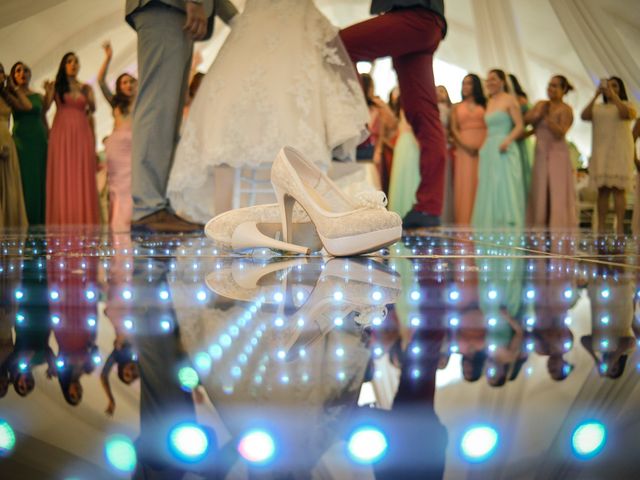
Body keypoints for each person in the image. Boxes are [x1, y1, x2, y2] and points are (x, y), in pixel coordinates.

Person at [167, 0, 369, 224]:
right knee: (235, 125)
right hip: (273, 21)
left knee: (229, 122)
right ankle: (233, 220)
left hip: (277, 22)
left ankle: (285, 217)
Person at [125, 0, 238, 232]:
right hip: (167, 6)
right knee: (158, 106)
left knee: (167, 113)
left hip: (174, 10)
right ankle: (147, 207)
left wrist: (238, 20)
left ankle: (156, 205)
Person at [341, 0, 447, 228]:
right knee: (423, 116)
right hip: (427, 21)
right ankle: (429, 208)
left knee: (339, 46)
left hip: (415, 15)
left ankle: (361, 136)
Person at [44, 52, 99, 226]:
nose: (73, 64)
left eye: (76, 62)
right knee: (63, 173)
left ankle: (83, 218)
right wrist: (48, 92)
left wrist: (89, 92)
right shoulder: (56, 86)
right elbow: (44, 109)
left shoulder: (84, 87)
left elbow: (93, 108)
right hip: (62, 133)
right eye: (69, 61)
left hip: (82, 132)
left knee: (81, 172)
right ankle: (63, 217)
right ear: (63, 65)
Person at [581, 76, 637, 234]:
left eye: (615, 86)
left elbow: (627, 114)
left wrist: (614, 97)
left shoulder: (627, 104)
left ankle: (619, 227)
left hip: (620, 150)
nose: (610, 88)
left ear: (621, 89)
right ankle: (601, 227)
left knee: (619, 190)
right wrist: (596, 95)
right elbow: (584, 116)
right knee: (603, 190)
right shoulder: (598, 108)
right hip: (601, 151)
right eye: (608, 86)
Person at [472, 69, 525, 229]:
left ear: (502, 81)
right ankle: (490, 221)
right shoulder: (490, 101)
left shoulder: (510, 100)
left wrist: (507, 140)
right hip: (489, 147)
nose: (490, 82)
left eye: (493, 79)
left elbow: (520, 126)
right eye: (488, 80)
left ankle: (507, 221)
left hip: (504, 146)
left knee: (504, 183)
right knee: (489, 184)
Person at [525, 75, 577, 229]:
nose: (551, 89)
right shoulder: (541, 104)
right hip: (540, 152)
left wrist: (546, 118)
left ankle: (557, 225)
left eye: (555, 86)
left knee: (556, 189)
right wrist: (538, 114)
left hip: (557, 153)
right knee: (540, 189)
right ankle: (540, 223)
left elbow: (561, 132)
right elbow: (526, 120)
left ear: (563, 90)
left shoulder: (566, 109)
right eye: (549, 85)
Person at [98, 41, 137, 231]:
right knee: (118, 188)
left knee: (133, 185)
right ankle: (118, 224)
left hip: (134, 148)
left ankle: (132, 222)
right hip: (117, 150)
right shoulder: (115, 103)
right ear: (119, 87)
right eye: (124, 82)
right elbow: (100, 81)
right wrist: (108, 57)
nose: (128, 85)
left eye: (131, 81)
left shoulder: (142, 102)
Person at [11, 62, 48, 226]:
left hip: (39, 141)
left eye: (26, 70)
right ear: (13, 76)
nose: (22, 73)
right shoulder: (9, 94)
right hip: (22, 141)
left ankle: (42, 223)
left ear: (30, 74)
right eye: (18, 71)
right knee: (26, 180)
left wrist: (49, 137)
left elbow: (43, 116)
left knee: (41, 180)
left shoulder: (38, 96)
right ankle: (27, 222)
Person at [450, 73, 486, 225]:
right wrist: (465, 145)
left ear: (476, 86)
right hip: (464, 149)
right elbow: (453, 128)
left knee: (481, 182)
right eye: (463, 83)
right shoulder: (457, 106)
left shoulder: (485, 105)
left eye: (469, 83)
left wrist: (483, 145)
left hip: (483, 148)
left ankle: (481, 219)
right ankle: (464, 221)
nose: (465, 87)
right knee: (464, 184)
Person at [0, 62, 29, 229]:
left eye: (1, 72)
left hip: (6, 141)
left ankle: (9, 223)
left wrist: (12, 87)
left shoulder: (6, 97)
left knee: (9, 188)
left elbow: (26, 106)